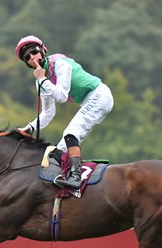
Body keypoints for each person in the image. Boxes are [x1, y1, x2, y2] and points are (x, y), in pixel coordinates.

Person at [15, 35, 114, 189]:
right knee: (58, 152)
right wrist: (29, 128)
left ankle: (76, 177)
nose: (32, 57)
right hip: (89, 100)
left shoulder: (60, 64)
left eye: (34, 52)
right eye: (27, 57)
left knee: (70, 134)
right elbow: (48, 113)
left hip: (99, 95)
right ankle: (65, 183)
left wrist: (42, 80)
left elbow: (61, 96)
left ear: (42, 50)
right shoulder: (40, 81)